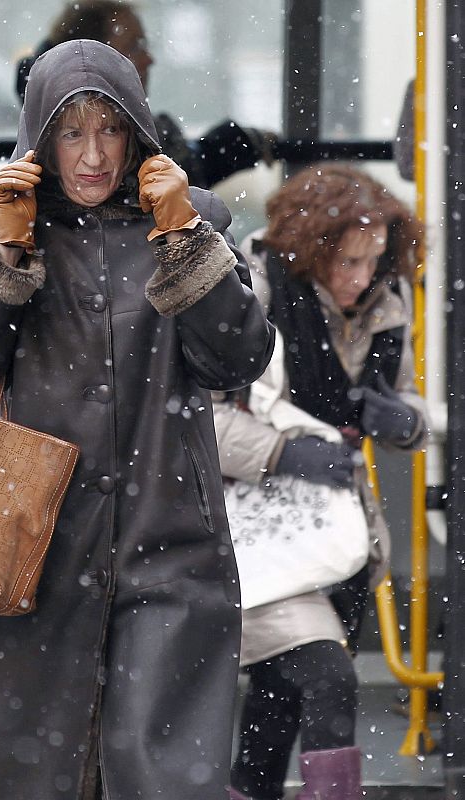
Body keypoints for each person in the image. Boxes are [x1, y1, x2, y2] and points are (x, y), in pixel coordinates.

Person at [0, 39, 275, 800]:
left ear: (136, 133)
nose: (91, 156)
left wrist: (185, 239)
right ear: (40, 140)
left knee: (168, 776)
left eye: (108, 130)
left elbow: (238, 359)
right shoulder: (5, 229)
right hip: (34, 547)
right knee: (24, 774)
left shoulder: (190, 221)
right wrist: (3, 257)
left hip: (169, 537)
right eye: (70, 132)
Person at [212, 164, 427, 800]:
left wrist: (404, 423)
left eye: (375, 260)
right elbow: (202, 418)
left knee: (279, 700)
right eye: (349, 262)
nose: (361, 278)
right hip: (260, 528)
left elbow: (409, 402)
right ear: (311, 250)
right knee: (327, 677)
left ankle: (252, 790)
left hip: (340, 535)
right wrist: (281, 451)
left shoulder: (388, 298)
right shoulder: (257, 288)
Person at [15, 0, 277, 189]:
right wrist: (238, 143)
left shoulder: (44, 125)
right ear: (92, 58)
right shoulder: (134, 140)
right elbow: (185, 174)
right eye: (135, 46)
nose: (148, 59)